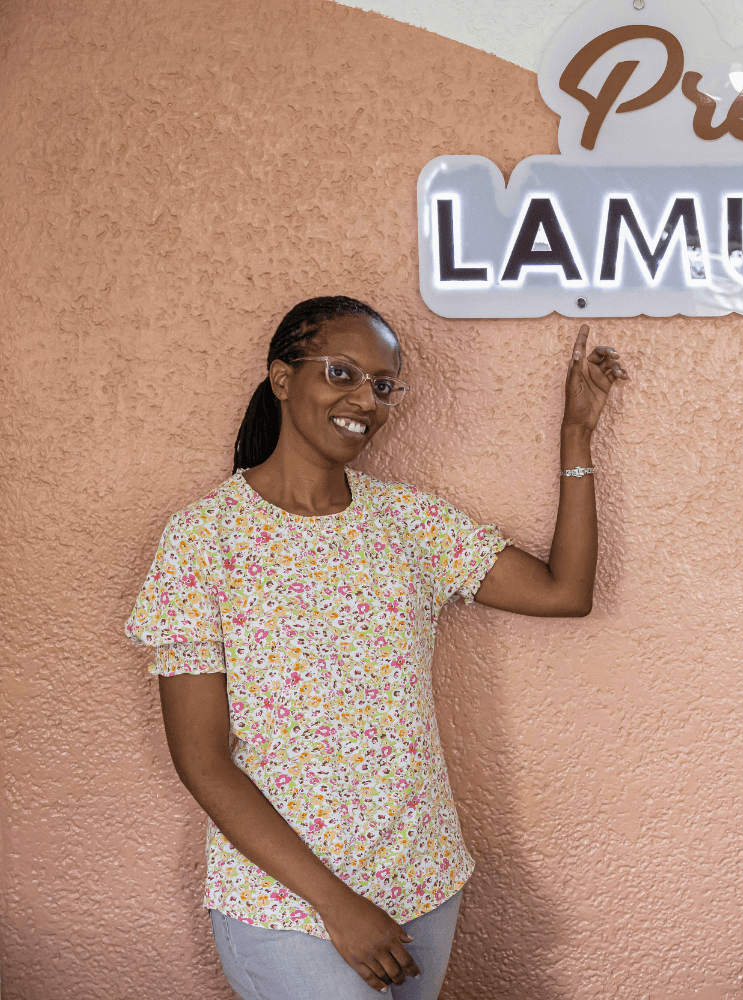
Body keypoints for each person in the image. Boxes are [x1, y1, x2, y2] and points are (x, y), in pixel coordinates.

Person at [125, 296, 628, 998]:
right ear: (281, 378)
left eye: (383, 385)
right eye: (342, 373)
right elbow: (203, 762)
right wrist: (336, 904)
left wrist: (578, 434)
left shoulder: (408, 523)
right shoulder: (204, 539)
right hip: (286, 903)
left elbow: (563, 591)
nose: (366, 398)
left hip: (422, 882)